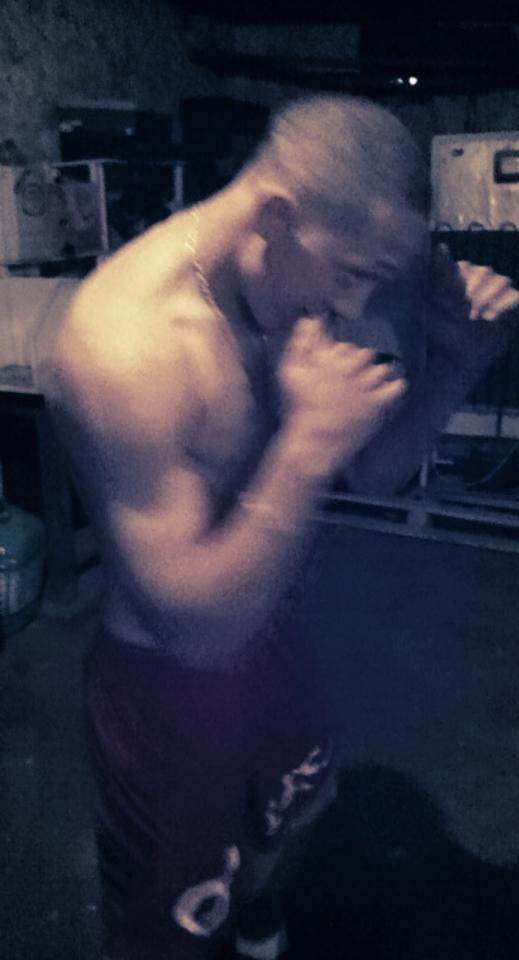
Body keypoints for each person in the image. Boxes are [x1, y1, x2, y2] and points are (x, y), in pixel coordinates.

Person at [45, 95, 519, 960]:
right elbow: (193, 631)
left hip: (270, 626)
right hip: (166, 680)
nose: (354, 304)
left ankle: (262, 937)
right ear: (275, 217)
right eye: (352, 273)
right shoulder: (124, 346)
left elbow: (373, 471)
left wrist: (455, 362)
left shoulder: (294, 279)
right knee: (178, 920)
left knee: (299, 813)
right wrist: (302, 450)